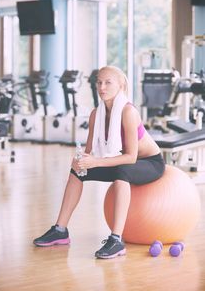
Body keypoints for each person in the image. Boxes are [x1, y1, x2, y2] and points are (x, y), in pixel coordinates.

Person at [33, 66, 165, 259]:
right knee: (78, 171)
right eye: (99, 82)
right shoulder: (97, 114)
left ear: (121, 85)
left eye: (108, 82)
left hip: (150, 163)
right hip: (122, 162)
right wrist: (81, 160)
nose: (102, 87)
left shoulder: (128, 112)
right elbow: (88, 152)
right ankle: (60, 230)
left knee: (123, 170)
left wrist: (96, 161)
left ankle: (116, 240)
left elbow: (131, 157)